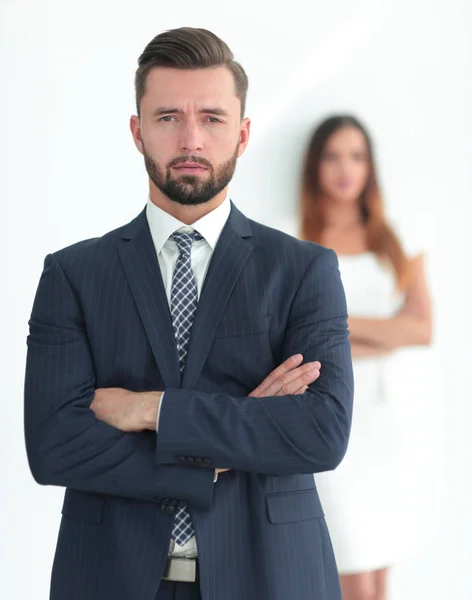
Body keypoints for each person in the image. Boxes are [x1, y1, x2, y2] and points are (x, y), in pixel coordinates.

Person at [24, 28, 354, 600]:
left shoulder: (304, 270)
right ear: (137, 131)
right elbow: (54, 444)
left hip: (271, 576)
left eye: (213, 118)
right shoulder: (73, 275)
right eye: (169, 117)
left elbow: (321, 433)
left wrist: (149, 409)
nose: (191, 139)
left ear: (244, 133)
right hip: (110, 578)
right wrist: (224, 448)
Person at [299, 115, 433, 600]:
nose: (345, 168)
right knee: (351, 570)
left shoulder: (391, 243)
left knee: (378, 579)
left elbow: (421, 328)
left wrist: (338, 325)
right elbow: (298, 343)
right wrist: (382, 334)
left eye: (356, 156)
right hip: (336, 419)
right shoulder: (298, 243)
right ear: (315, 166)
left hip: (389, 422)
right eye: (333, 155)